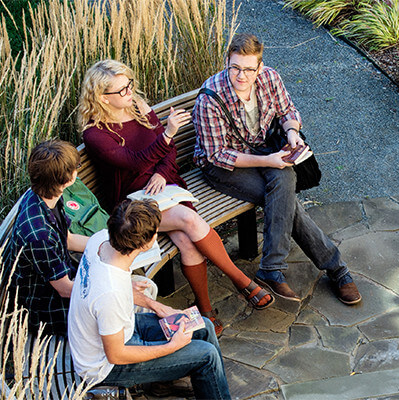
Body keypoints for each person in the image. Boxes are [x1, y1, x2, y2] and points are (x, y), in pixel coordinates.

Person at [79, 59, 273, 336]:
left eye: (129, 85)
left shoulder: (138, 108)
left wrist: (160, 173)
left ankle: (205, 310)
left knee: (187, 241)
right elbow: (133, 163)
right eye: (121, 90)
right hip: (131, 204)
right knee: (187, 219)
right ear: (102, 97)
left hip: (164, 187)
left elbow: (168, 154)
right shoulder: (95, 133)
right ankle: (241, 280)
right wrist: (168, 133)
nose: (129, 93)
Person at [192, 33, 360, 305]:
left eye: (248, 69)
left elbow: (287, 112)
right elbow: (217, 155)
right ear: (227, 62)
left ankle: (272, 269)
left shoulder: (269, 77)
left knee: (284, 180)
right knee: (285, 199)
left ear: (259, 67)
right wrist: (270, 161)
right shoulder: (210, 98)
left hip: (263, 150)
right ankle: (336, 268)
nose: (241, 76)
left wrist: (292, 133)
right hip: (224, 167)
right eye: (235, 67)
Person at [68, 199, 230, 398]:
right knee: (207, 356)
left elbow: (111, 288)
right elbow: (116, 354)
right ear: (146, 244)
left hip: (123, 330)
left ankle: (165, 386)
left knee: (204, 327)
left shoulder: (101, 241)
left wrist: (156, 306)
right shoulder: (110, 292)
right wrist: (172, 347)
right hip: (104, 367)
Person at [5, 139, 90, 337]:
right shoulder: (39, 235)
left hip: (64, 279)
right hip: (50, 311)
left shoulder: (44, 196)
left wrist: (110, 244)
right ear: (68, 179)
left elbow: (66, 239)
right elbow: (66, 290)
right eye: (76, 167)